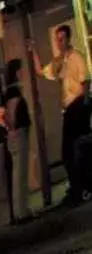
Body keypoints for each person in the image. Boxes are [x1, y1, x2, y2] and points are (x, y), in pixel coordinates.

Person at [39, 23, 89, 204]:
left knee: (73, 150)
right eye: (57, 40)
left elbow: (85, 82)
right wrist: (32, 52)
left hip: (77, 105)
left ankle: (81, 186)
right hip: (68, 109)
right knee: (70, 151)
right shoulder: (61, 61)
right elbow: (43, 72)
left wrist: (85, 105)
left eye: (62, 39)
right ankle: (78, 185)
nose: (59, 43)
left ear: (69, 38)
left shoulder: (77, 58)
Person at [0, 57, 38, 222]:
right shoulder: (14, 91)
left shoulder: (8, 91)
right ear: (17, 72)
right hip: (19, 134)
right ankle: (22, 212)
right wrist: (11, 126)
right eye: (21, 70)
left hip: (14, 135)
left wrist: (7, 126)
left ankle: (22, 210)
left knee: (18, 174)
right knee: (20, 175)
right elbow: (11, 116)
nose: (23, 72)